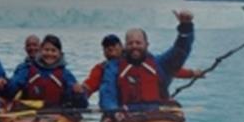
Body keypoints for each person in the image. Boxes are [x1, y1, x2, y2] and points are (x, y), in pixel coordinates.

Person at [99, 10, 196, 122]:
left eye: (138, 43)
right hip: (126, 115)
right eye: (130, 43)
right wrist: (113, 111)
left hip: (157, 113)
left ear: (146, 45)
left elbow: (180, 51)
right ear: (125, 46)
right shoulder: (114, 68)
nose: (134, 46)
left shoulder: (159, 63)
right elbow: (107, 93)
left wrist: (185, 28)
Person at [75, 33, 204, 98]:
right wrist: (80, 93)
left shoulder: (143, 60)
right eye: (106, 48)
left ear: (122, 47)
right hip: (122, 108)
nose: (110, 49)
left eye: (114, 46)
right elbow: (90, 85)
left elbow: (168, 69)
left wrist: (192, 73)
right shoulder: (102, 69)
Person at [5, 34, 86, 108]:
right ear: (40, 51)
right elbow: (10, 91)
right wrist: (5, 84)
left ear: (60, 54)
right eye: (46, 50)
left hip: (57, 114)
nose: (49, 53)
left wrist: (79, 94)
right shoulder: (26, 69)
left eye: (53, 50)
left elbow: (82, 105)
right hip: (29, 113)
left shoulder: (66, 74)